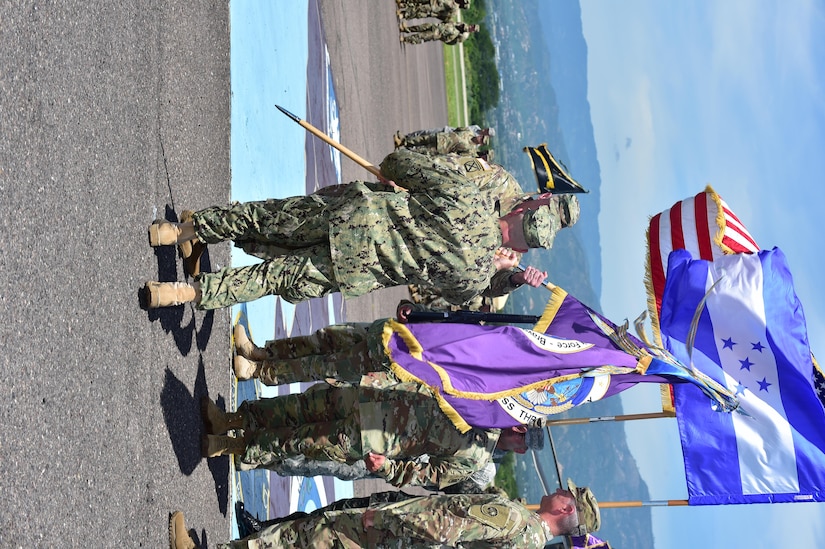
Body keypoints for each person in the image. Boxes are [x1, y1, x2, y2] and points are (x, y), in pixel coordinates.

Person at [143, 149, 572, 310]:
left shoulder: (471, 196)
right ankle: (186, 295)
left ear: (521, 211)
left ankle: (184, 230)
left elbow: (399, 163)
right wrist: (509, 277)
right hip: (357, 267)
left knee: (269, 217)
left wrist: (397, 179)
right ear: (525, 247)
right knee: (277, 277)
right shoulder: (476, 273)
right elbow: (466, 297)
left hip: (355, 215)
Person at [199, 383, 537, 489]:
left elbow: (430, 475)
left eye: (524, 438)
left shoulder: (475, 457)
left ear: (520, 447)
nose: (519, 431)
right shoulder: (481, 401)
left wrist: (388, 468)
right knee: (296, 406)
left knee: (296, 441)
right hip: (369, 400)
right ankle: (229, 420)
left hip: (372, 438)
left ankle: (229, 445)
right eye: (524, 425)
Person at [168, 479, 600, 549]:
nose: (559, 489)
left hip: (391, 536)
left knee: (305, 538)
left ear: (566, 508)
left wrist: (388, 519)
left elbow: (446, 525)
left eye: (567, 492)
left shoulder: (514, 519)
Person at [400, 21, 479, 45]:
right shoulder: (463, 24)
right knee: (421, 27)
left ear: (473, 31)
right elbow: (453, 22)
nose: (472, 27)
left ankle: (406, 39)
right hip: (439, 26)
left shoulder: (463, 36)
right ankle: (406, 29)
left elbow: (452, 41)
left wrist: (441, 37)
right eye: (473, 25)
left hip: (439, 34)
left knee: (422, 36)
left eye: (473, 28)